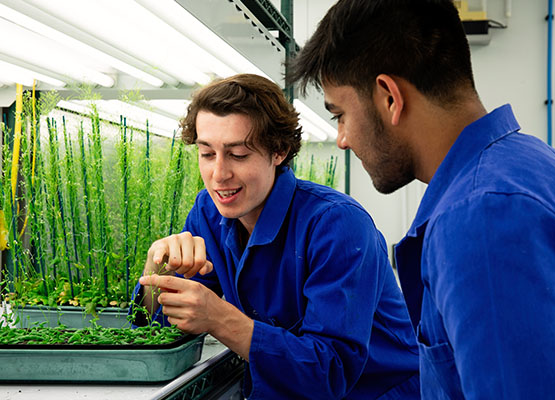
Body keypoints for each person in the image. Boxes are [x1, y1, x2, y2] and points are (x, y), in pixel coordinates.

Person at [288, 0, 555, 399]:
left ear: (389, 97)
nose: (343, 139)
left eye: (340, 115)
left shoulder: (482, 217)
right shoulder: (528, 168)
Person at [131, 73, 420, 399]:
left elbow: (330, 371)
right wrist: (158, 271)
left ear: (279, 151)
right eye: (207, 153)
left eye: (238, 154)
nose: (219, 174)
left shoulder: (336, 224)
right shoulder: (209, 214)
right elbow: (160, 332)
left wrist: (220, 318)